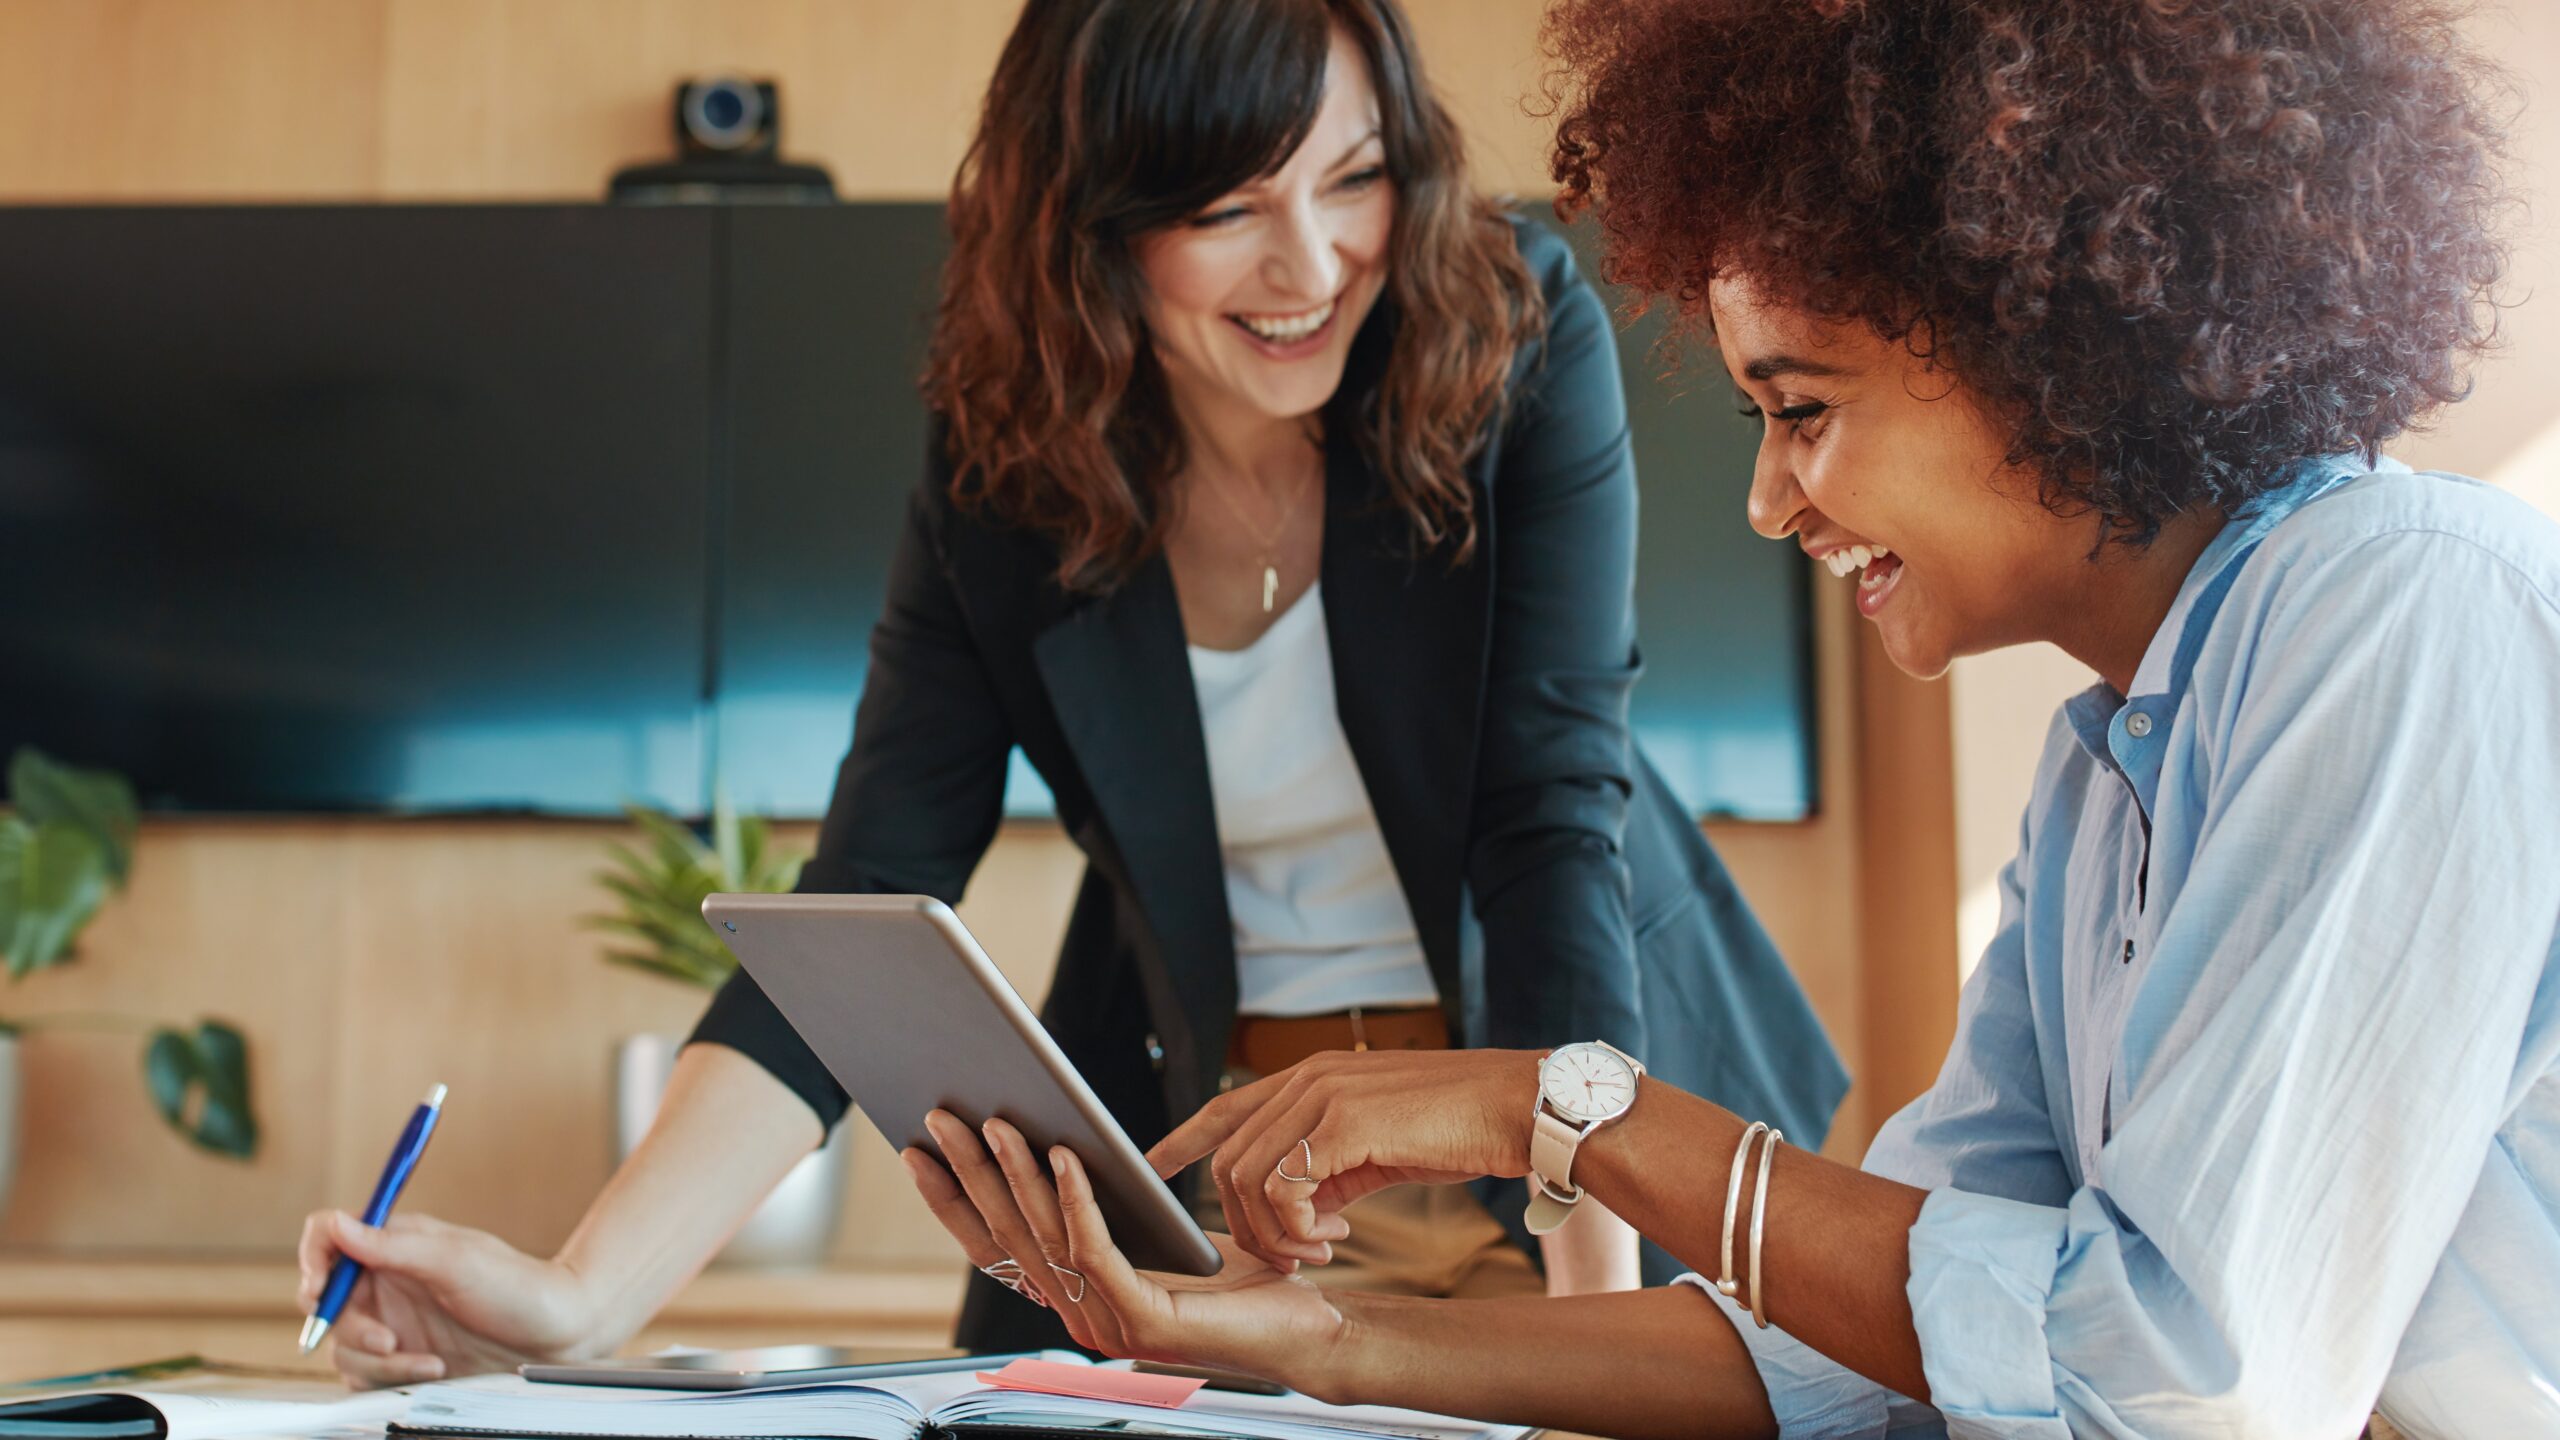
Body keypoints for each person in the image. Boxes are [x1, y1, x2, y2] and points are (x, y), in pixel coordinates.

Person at [904, 0, 2560, 1435]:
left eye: (1803, 411)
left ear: (2046, 342)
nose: (1770, 501)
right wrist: (1329, 1348)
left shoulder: (2400, 604)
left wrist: (1564, 1109)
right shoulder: (2101, 779)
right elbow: (1888, 1339)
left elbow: (2180, 1382)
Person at [294, 0, 1845, 1384]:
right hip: (1242, 1187)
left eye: (1353, 176)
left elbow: (1547, 819)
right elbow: (868, 896)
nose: (1311, 264)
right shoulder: (1010, 466)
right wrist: (575, 1301)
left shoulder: (1508, 333)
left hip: (1574, 1141)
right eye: (1229, 206)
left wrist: (1595, 1324)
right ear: (1094, 222)